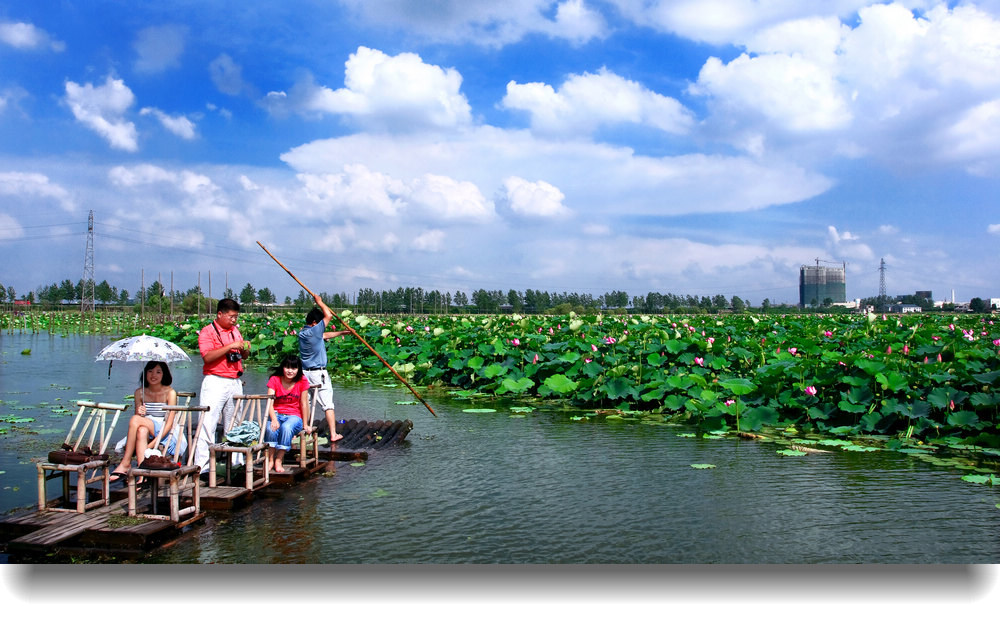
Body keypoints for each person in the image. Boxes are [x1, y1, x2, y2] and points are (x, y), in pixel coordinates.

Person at [193, 298, 250, 477]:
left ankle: (235, 461)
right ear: (220, 314)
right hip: (215, 380)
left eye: (236, 317)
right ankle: (202, 466)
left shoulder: (235, 331)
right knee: (208, 422)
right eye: (231, 317)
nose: (234, 321)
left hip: (234, 380)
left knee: (234, 422)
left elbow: (244, 356)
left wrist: (244, 348)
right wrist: (230, 346)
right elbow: (208, 357)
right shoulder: (207, 332)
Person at [110, 361, 180, 483]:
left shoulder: (170, 392)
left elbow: (169, 423)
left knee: (135, 420)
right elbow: (136, 423)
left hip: (165, 431)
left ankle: (126, 462)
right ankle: (143, 475)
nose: (154, 375)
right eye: (150, 371)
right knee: (141, 430)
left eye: (158, 372)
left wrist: (151, 445)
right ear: (145, 373)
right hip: (145, 427)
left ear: (164, 374)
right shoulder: (139, 392)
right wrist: (139, 412)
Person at [299, 292, 350, 445]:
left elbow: (324, 334)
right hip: (318, 374)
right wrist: (320, 302)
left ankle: (305, 428)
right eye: (320, 323)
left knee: (306, 402)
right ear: (315, 323)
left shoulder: (303, 332)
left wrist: (341, 332)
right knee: (327, 404)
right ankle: (333, 434)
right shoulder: (314, 330)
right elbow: (329, 316)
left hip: (304, 374)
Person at [263, 355, 310, 473]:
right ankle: (270, 460)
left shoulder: (302, 380)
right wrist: (273, 419)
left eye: (294, 368)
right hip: (277, 413)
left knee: (286, 427)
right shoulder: (275, 379)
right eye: (287, 367)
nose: (290, 371)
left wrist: (306, 424)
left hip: (295, 417)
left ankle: (279, 459)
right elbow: (270, 402)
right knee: (270, 428)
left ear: (298, 369)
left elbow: (304, 404)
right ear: (282, 368)